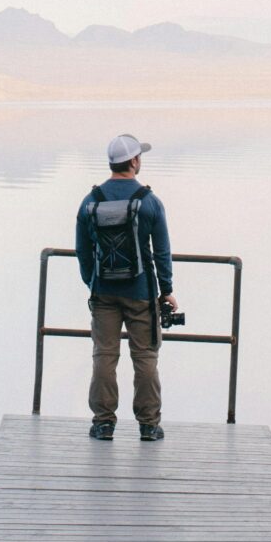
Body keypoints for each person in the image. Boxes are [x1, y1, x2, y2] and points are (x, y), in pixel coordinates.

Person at [75, 132, 175, 441]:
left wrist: (93, 281)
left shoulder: (91, 200)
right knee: (144, 357)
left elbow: (82, 251)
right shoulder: (149, 202)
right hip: (141, 292)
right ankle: (148, 425)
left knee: (104, 355)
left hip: (103, 293)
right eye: (139, 157)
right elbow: (161, 252)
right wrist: (166, 289)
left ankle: (103, 423)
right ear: (133, 161)